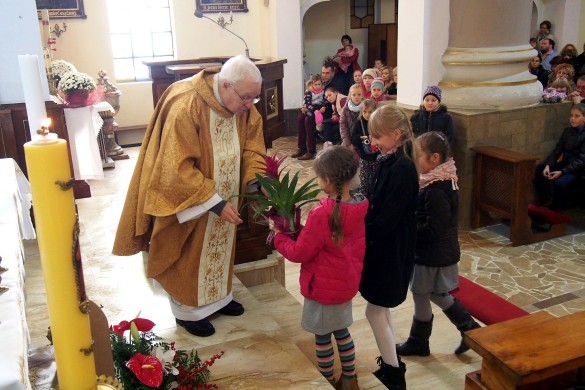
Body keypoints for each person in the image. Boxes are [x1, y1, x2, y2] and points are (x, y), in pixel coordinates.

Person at [112, 55, 266, 337]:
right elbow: (175, 166)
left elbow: (253, 148)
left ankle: (218, 299)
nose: (249, 106)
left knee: (218, 248)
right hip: (191, 202)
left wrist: (258, 180)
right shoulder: (187, 103)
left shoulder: (244, 107)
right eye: (246, 98)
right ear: (226, 85)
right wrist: (214, 201)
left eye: (254, 99)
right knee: (188, 250)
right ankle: (188, 312)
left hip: (228, 197)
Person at [272, 146, 368, 389]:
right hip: (345, 283)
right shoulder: (359, 207)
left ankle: (327, 380)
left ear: (326, 180)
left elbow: (299, 253)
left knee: (323, 337)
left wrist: (278, 236)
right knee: (341, 331)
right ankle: (350, 378)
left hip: (323, 288)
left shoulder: (321, 214)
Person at [396, 131, 480, 358]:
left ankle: (419, 342)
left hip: (432, 253)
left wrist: (408, 229)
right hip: (435, 252)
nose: (415, 161)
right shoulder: (441, 179)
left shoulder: (436, 189)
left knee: (423, 293)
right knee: (434, 294)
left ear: (434, 158)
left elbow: (434, 228)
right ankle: (469, 329)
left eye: (419, 157)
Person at [360, 104, 418, 390]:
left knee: (375, 311)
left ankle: (395, 373)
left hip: (390, 251)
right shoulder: (392, 159)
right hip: (385, 247)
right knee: (379, 310)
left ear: (396, 134)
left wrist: (362, 232)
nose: (374, 143)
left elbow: (388, 218)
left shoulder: (403, 167)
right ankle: (393, 363)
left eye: (378, 137)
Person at [534, 103, 585, 210]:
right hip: (566, 163)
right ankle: (546, 199)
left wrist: (562, 172)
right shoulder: (567, 131)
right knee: (538, 169)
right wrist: (548, 165)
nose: (572, 119)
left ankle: (556, 210)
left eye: (577, 116)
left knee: (560, 184)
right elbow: (557, 150)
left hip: (579, 168)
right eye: (571, 115)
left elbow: (582, 160)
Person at [293, 73, 328, 161]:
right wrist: (308, 109)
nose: (317, 86)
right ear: (312, 84)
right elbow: (307, 102)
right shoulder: (309, 91)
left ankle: (311, 150)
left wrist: (324, 106)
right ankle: (301, 148)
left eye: (319, 84)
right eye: (315, 84)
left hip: (320, 111)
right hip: (310, 108)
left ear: (322, 83)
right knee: (300, 118)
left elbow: (326, 101)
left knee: (307, 121)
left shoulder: (324, 90)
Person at [350, 99, 379, 199]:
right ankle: (364, 196)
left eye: (370, 112)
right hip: (364, 156)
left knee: (375, 178)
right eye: (365, 112)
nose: (367, 114)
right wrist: (361, 138)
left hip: (377, 157)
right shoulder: (359, 123)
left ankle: (373, 195)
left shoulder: (378, 123)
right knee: (364, 178)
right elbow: (353, 138)